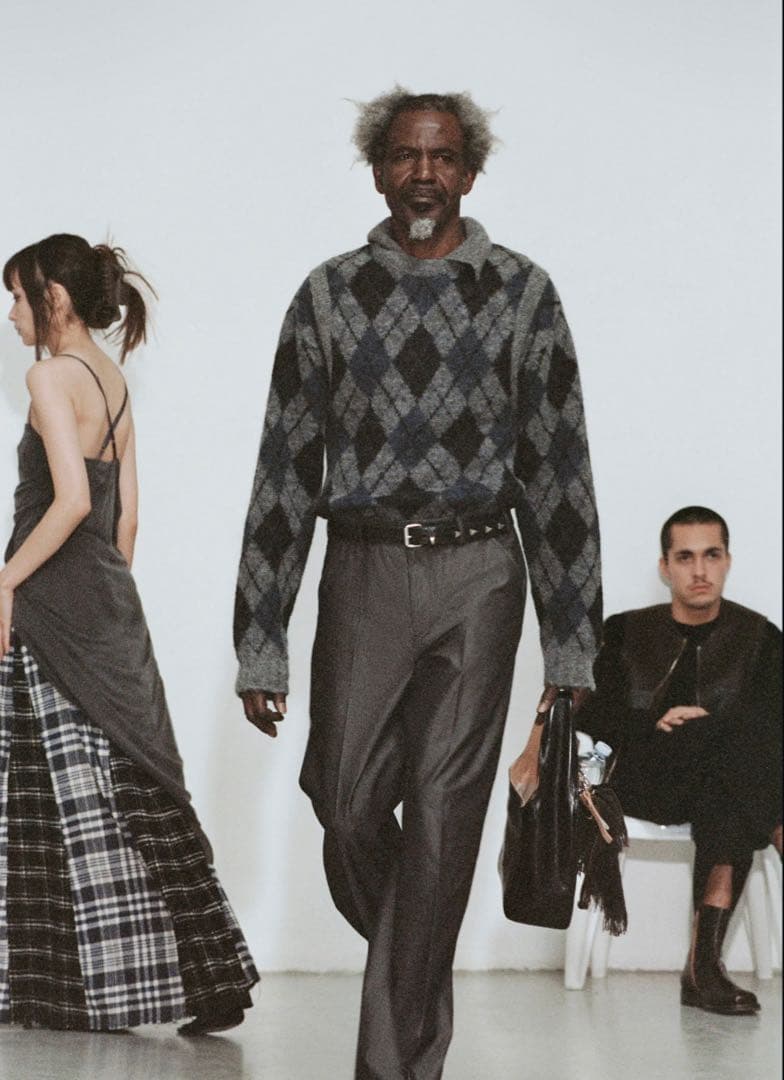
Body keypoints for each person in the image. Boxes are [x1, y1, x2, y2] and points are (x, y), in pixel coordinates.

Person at [234, 88, 602, 1079]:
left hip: (480, 573)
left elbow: (559, 474)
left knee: (442, 819)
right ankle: (418, 954)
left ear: (470, 172)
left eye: (442, 157)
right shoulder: (326, 295)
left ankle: (392, 1066)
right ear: (378, 171)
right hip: (360, 568)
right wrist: (259, 639)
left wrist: (571, 645)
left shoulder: (522, 293)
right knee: (345, 802)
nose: (424, 174)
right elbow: (283, 470)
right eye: (405, 156)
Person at [0, 234, 257, 1034]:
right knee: (133, 788)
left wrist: (6, 582)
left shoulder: (49, 377)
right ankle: (211, 980)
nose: (11, 314)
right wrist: (105, 605)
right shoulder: (110, 382)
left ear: (55, 299)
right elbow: (126, 519)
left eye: (17, 297)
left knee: (42, 787)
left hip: (49, 601)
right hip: (106, 600)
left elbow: (72, 500)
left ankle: (51, 984)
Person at [578, 505, 782, 1016]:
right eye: (685, 557)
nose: (700, 570)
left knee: (730, 776)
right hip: (645, 780)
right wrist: (656, 720)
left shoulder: (760, 637)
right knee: (739, 757)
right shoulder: (625, 632)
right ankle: (702, 968)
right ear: (665, 567)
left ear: (727, 560)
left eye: (711, 555)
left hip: (725, 787)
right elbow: (593, 713)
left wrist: (712, 728)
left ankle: (703, 967)